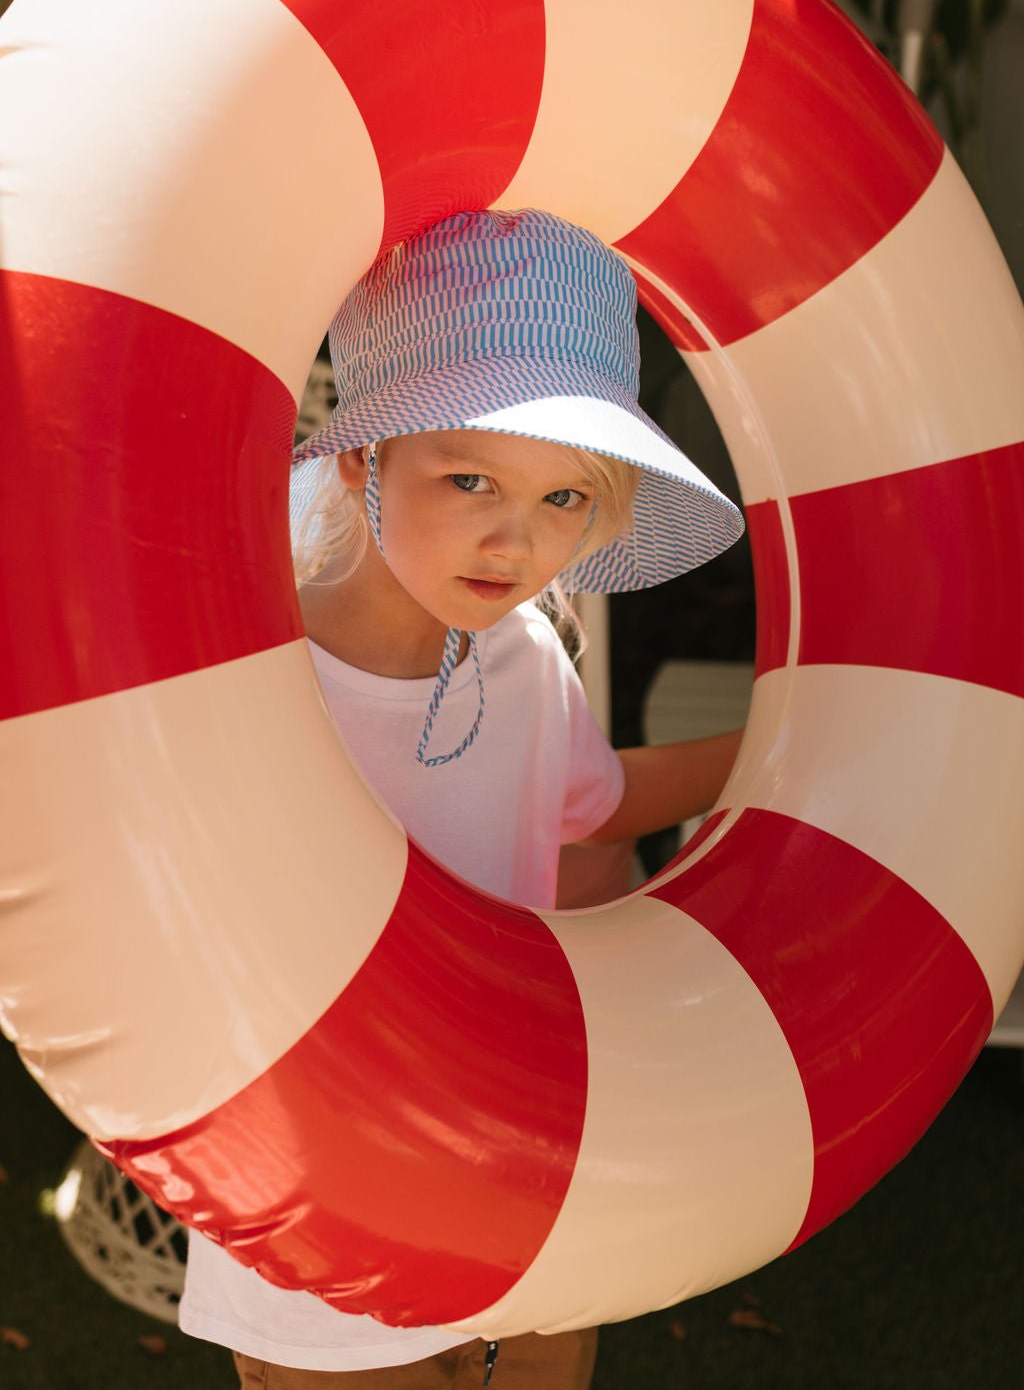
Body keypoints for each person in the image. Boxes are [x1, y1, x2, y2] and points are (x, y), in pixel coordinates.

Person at [179, 208, 746, 1388]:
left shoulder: (525, 661)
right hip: (313, 1173)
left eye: (564, 499)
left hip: (513, 1146)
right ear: (360, 457)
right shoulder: (251, 672)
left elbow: (590, 803)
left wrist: (792, 754)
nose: (513, 541)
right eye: (472, 477)